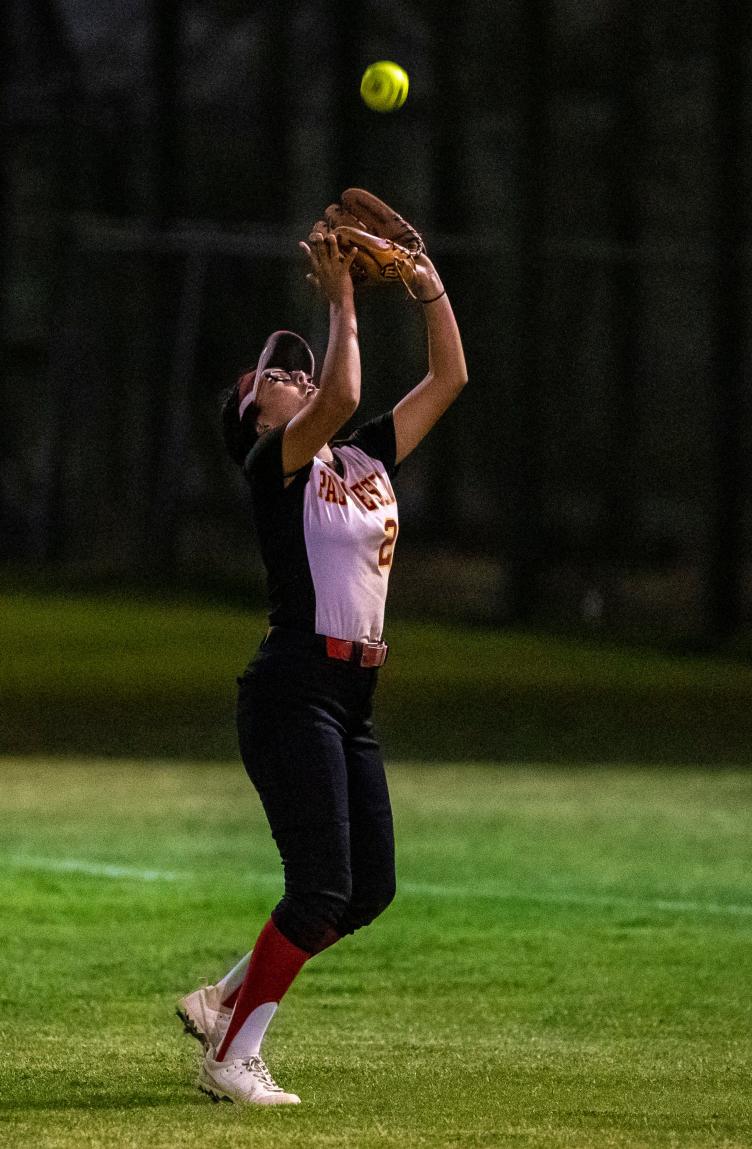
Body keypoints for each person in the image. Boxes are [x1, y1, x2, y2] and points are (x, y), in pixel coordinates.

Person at [175, 218, 467, 1105]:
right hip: (294, 686)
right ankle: (231, 1056)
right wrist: (339, 297)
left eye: (295, 367)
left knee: (365, 889)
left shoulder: (359, 455)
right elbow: (338, 391)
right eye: (273, 378)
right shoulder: (280, 463)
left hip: (352, 694)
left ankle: (223, 996)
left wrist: (423, 280)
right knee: (320, 886)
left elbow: (451, 377)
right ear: (251, 417)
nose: (294, 375)